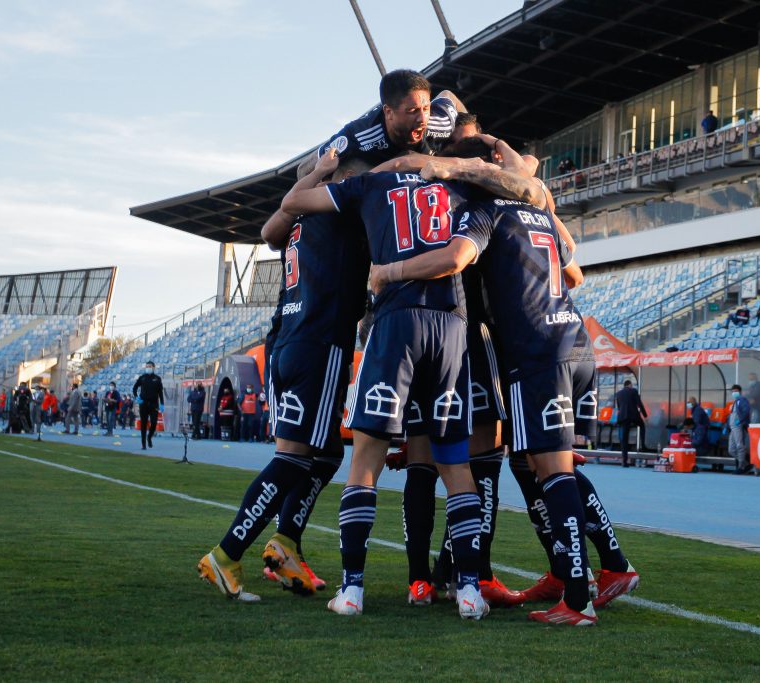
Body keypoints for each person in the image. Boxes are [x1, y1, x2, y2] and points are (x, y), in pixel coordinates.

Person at [369, 148, 641, 625]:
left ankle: (578, 597)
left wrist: (389, 272)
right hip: (575, 340)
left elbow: (455, 258)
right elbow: (573, 271)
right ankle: (589, 572)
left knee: (546, 472)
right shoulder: (538, 210)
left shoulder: (485, 210)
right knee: (539, 465)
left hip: (533, 353)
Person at [280, 145, 534, 620]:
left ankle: (352, 590)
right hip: (451, 326)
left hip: (395, 320)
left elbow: (293, 205)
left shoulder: (372, 183)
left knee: (367, 458)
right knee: (456, 465)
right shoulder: (468, 191)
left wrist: (323, 171)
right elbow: (525, 191)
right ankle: (469, 592)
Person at [198, 150, 370, 602]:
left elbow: (268, 231)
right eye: (357, 177)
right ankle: (227, 553)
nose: (363, 183)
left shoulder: (295, 223)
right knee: (294, 458)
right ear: (335, 180)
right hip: (321, 341)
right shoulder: (340, 212)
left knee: (327, 451)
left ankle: (286, 542)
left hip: (288, 340)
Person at [296, 68, 464, 178]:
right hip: (373, 179)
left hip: (423, 176)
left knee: (466, 136)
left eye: (426, 108)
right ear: (388, 112)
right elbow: (303, 170)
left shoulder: (439, 121)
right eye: (412, 111)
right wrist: (322, 175)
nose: (422, 118)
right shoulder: (360, 135)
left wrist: (476, 134)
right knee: (346, 170)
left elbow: (448, 95)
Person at [615, 379, 647, 467]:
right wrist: (645, 415)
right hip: (633, 416)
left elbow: (619, 407)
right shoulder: (634, 391)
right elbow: (639, 404)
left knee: (624, 439)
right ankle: (643, 445)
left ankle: (624, 461)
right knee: (642, 426)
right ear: (630, 385)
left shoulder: (619, 393)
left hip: (622, 417)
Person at [133, 360, 164, 450]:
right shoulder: (142, 378)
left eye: (150, 366)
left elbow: (160, 392)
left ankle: (149, 437)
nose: (148, 368)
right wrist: (136, 397)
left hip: (154, 404)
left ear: (153, 368)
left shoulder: (157, 379)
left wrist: (162, 403)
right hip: (143, 404)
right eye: (147, 366)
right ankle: (143, 444)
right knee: (143, 424)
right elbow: (134, 388)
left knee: (154, 423)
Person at [728, 384, 752, 474]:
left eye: (736, 391)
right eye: (733, 391)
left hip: (738, 426)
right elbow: (731, 415)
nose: (734, 393)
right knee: (731, 449)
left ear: (740, 392)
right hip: (732, 427)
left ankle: (741, 467)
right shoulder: (735, 402)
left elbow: (746, 411)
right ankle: (746, 463)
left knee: (739, 446)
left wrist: (741, 421)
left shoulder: (742, 400)